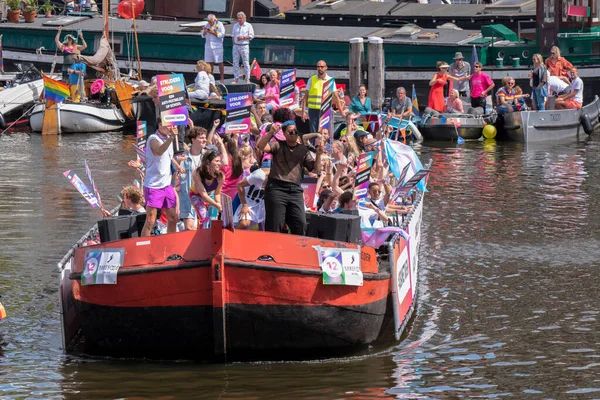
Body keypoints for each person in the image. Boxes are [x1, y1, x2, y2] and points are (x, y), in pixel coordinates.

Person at [257, 120, 322, 235]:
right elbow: (260, 146)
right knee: (275, 225)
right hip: (277, 188)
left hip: (295, 191)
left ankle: (295, 250)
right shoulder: (278, 145)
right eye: (290, 132)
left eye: (296, 131)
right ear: (285, 134)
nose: (294, 134)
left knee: (301, 224)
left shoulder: (303, 149)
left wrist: (318, 154)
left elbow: (315, 170)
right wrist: (271, 132)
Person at [141, 119, 179, 236]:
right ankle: (144, 245)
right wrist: (171, 138)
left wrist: (178, 165)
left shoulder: (168, 139)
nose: (171, 128)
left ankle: (171, 243)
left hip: (167, 185)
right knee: (151, 220)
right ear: (160, 125)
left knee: (173, 217)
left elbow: (169, 156)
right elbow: (159, 151)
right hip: (154, 185)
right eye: (169, 125)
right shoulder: (153, 138)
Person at [190, 149, 225, 229]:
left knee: (213, 219)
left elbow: (217, 193)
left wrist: (218, 203)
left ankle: (212, 238)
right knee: (205, 219)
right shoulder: (198, 173)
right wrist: (216, 204)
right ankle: (203, 238)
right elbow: (203, 194)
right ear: (208, 162)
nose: (219, 164)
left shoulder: (220, 176)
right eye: (216, 161)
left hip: (211, 194)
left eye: (219, 161)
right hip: (196, 195)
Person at [302, 60, 334, 134]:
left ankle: (325, 145)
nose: (320, 68)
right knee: (314, 132)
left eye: (322, 67)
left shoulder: (330, 80)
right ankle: (314, 145)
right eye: (318, 67)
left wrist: (341, 112)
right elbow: (305, 97)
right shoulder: (312, 79)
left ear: (326, 68)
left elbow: (336, 97)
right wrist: (303, 112)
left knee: (324, 132)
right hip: (313, 110)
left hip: (325, 110)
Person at [235, 164, 267, 229]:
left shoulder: (278, 180)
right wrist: (244, 205)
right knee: (244, 224)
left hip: (261, 205)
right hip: (248, 202)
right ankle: (231, 236)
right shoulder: (259, 175)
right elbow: (239, 185)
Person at [201, 14, 225, 84]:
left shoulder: (219, 24)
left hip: (217, 46)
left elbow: (222, 34)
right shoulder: (206, 25)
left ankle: (222, 77)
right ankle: (211, 78)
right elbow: (202, 35)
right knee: (209, 63)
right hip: (208, 46)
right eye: (209, 21)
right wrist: (205, 32)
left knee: (220, 62)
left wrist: (213, 33)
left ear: (214, 20)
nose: (210, 23)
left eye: (211, 22)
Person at [232, 12, 254, 84]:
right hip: (236, 45)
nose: (239, 20)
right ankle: (236, 78)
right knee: (235, 62)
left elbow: (251, 36)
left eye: (240, 18)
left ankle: (247, 78)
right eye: (238, 18)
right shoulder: (235, 25)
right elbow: (233, 35)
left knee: (245, 62)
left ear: (244, 18)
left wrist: (243, 37)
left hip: (244, 45)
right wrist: (234, 43)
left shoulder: (248, 26)